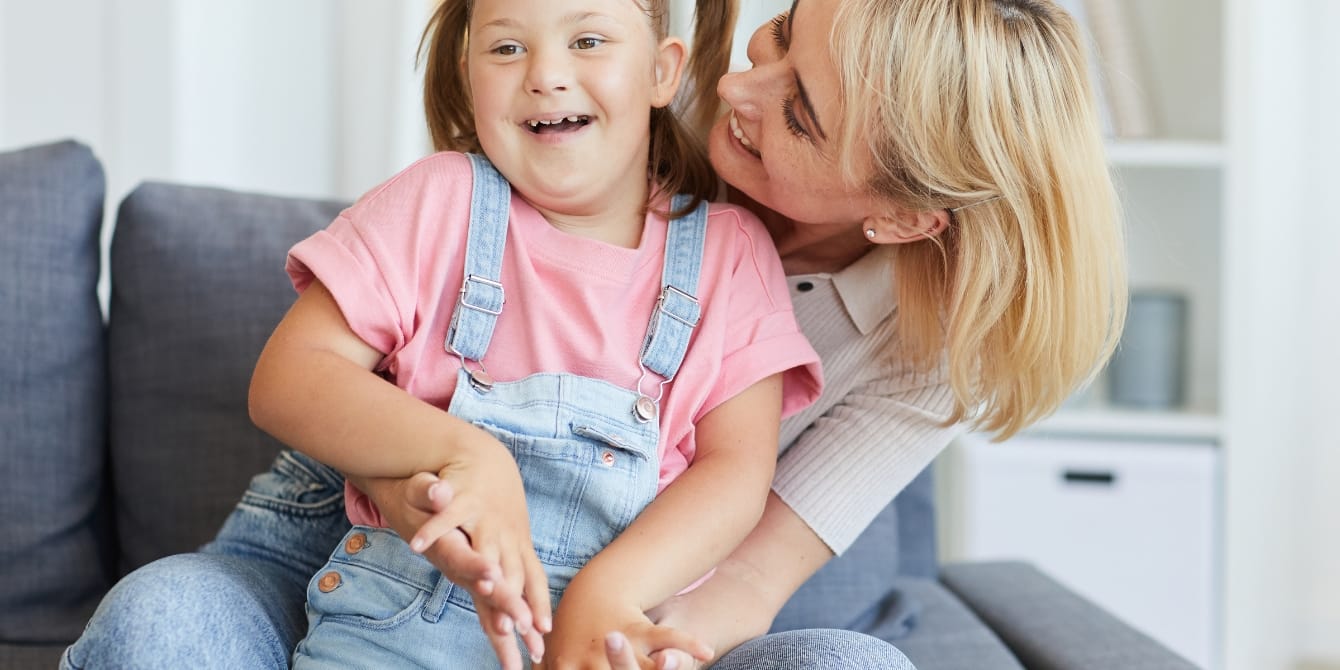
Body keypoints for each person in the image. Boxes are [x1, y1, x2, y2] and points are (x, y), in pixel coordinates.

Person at [61, 0, 1123, 668]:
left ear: (899, 216)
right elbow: (320, 374)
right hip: (370, 530)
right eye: (780, 30)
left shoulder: (802, 301)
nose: (734, 88)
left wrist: (614, 628)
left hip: (618, 589)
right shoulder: (504, 172)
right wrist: (439, 461)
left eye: (799, 111)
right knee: (166, 619)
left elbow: (740, 546)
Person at [244, 0, 822, 667]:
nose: (545, 74)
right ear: (468, 77)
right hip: (395, 632)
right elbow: (287, 378)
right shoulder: (437, 201)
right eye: (507, 49)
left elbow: (736, 472)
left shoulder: (730, 254)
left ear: (662, 73)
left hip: (603, 635)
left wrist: (606, 595)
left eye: (588, 39)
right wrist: (472, 455)